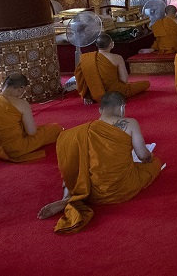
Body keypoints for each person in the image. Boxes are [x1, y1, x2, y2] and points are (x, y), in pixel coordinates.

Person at [37, 91, 162, 233]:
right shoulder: (130, 123)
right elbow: (142, 155)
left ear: (100, 110)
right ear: (122, 108)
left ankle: (67, 197)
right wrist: (150, 157)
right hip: (122, 188)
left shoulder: (86, 130)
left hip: (92, 192)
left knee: (75, 169)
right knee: (154, 163)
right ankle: (68, 198)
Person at [0, 73, 62, 162]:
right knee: (54, 128)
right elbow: (31, 132)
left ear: (4, 85)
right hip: (14, 149)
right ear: (21, 89)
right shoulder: (22, 104)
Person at [75, 35, 150, 103]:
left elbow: (80, 80)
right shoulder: (117, 58)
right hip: (115, 91)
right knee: (146, 83)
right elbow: (124, 80)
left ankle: (89, 97)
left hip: (94, 92)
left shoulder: (86, 58)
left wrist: (86, 95)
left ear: (97, 45)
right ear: (111, 44)